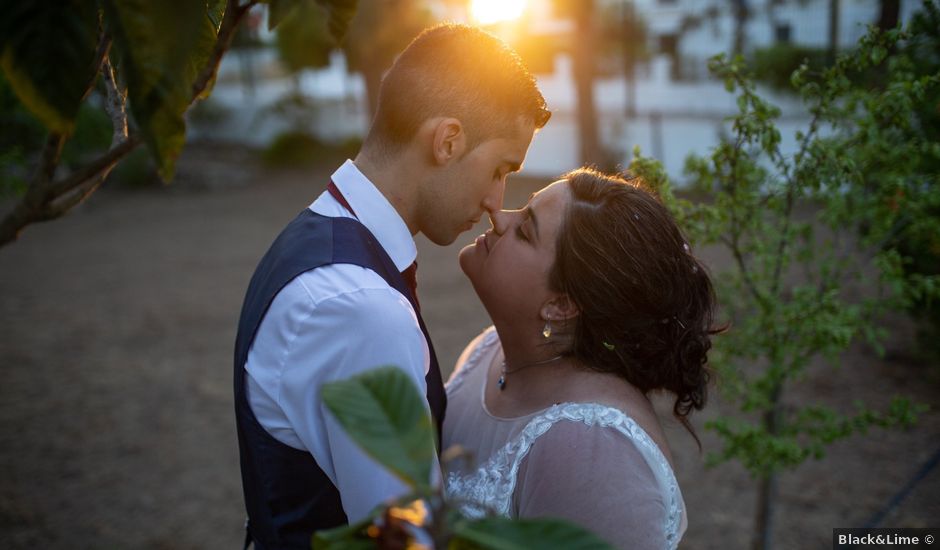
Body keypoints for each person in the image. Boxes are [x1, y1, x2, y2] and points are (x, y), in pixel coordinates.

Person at [233, 23, 550, 549]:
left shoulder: (316, 237)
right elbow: (407, 541)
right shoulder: (362, 308)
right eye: (500, 168)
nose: (499, 203)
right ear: (447, 141)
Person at [443, 167, 720, 549]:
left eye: (525, 230)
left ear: (560, 305)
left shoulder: (593, 451)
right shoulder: (488, 351)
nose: (500, 217)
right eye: (523, 208)